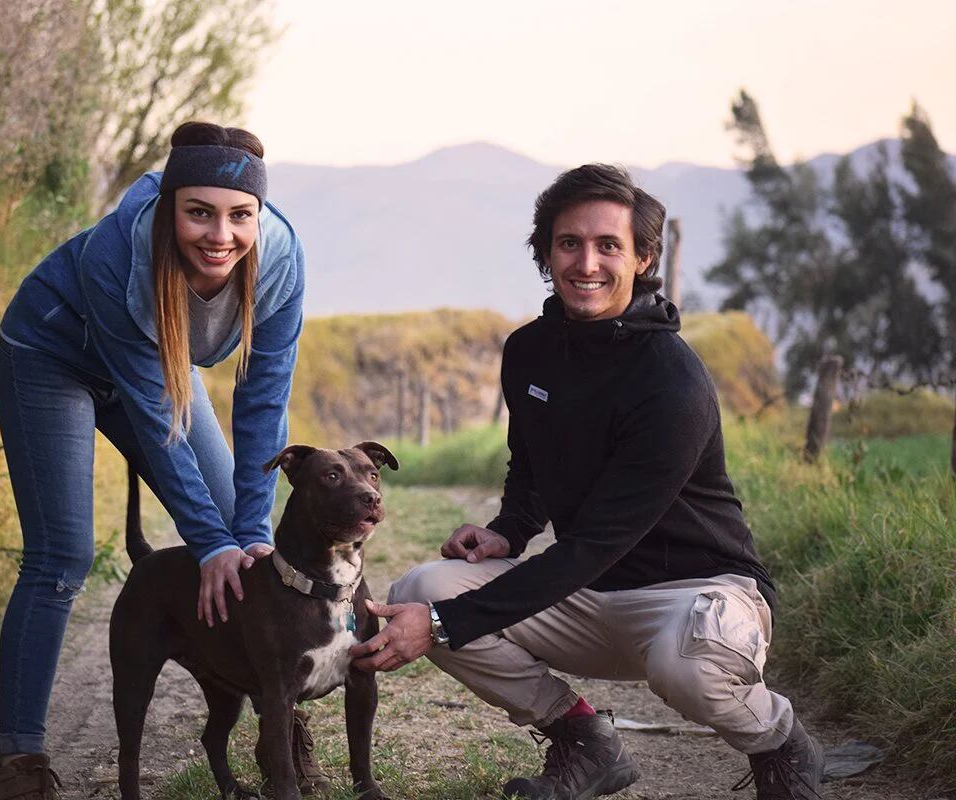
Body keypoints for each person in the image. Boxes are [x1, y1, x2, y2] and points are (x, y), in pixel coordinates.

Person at [350, 165, 824, 800]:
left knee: (684, 666)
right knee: (422, 588)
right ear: (546, 253)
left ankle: (781, 744)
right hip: (590, 595)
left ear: (644, 258)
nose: (586, 263)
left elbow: (594, 544)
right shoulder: (529, 350)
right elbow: (531, 464)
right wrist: (508, 531)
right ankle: (583, 739)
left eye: (608, 246)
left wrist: (438, 625)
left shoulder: (671, 382)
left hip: (695, 594)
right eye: (569, 243)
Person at [0, 122, 325, 799]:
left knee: (244, 533)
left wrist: (246, 533)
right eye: (199, 213)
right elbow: (151, 417)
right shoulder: (119, 253)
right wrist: (208, 545)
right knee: (62, 555)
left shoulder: (282, 260)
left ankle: (278, 725)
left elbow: (263, 403)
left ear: (259, 215)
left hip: (158, 362)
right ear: (171, 208)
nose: (220, 235)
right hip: (51, 358)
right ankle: (18, 765)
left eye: (239, 215)